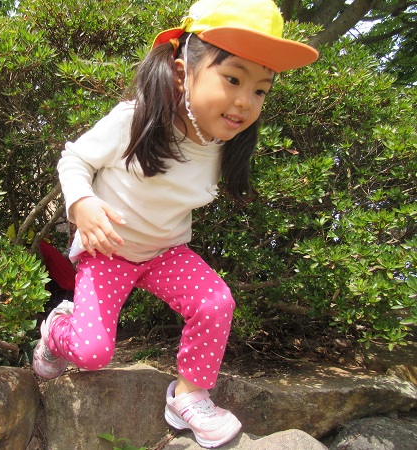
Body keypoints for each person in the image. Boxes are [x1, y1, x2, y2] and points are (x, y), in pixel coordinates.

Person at [33, 0, 318, 447]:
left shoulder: (224, 143)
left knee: (215, 303)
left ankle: (188, 395)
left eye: (260, 90)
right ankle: (57, 331)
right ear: (183, 72)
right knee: (91, 352)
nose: (245, 101)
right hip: (108, 253)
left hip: (166, 253)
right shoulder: (136, 119)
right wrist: (82, 205)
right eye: (233, 79)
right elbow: (75, 159)